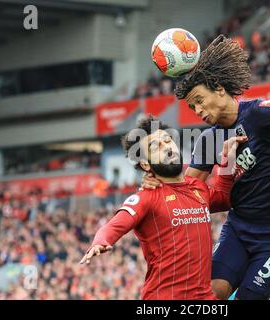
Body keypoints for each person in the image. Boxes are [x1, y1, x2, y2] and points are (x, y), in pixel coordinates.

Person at [144, 35, 270, 300]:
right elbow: (185, 194)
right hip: (238, 230)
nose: (197, 110)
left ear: (218, 89)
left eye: (200, 100)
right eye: (192, 106)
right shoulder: (209, 140)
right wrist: (156, 182)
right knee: (210, 294)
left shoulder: (258, 114)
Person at [80, 115, 245, 300]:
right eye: (155, 146)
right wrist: (100, 241)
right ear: (145, 164)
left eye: (167, 140)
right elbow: (115, 224)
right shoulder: (146, 196)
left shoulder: (197, 187)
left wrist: (226, 161)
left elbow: (224, 199)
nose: (166, 146)